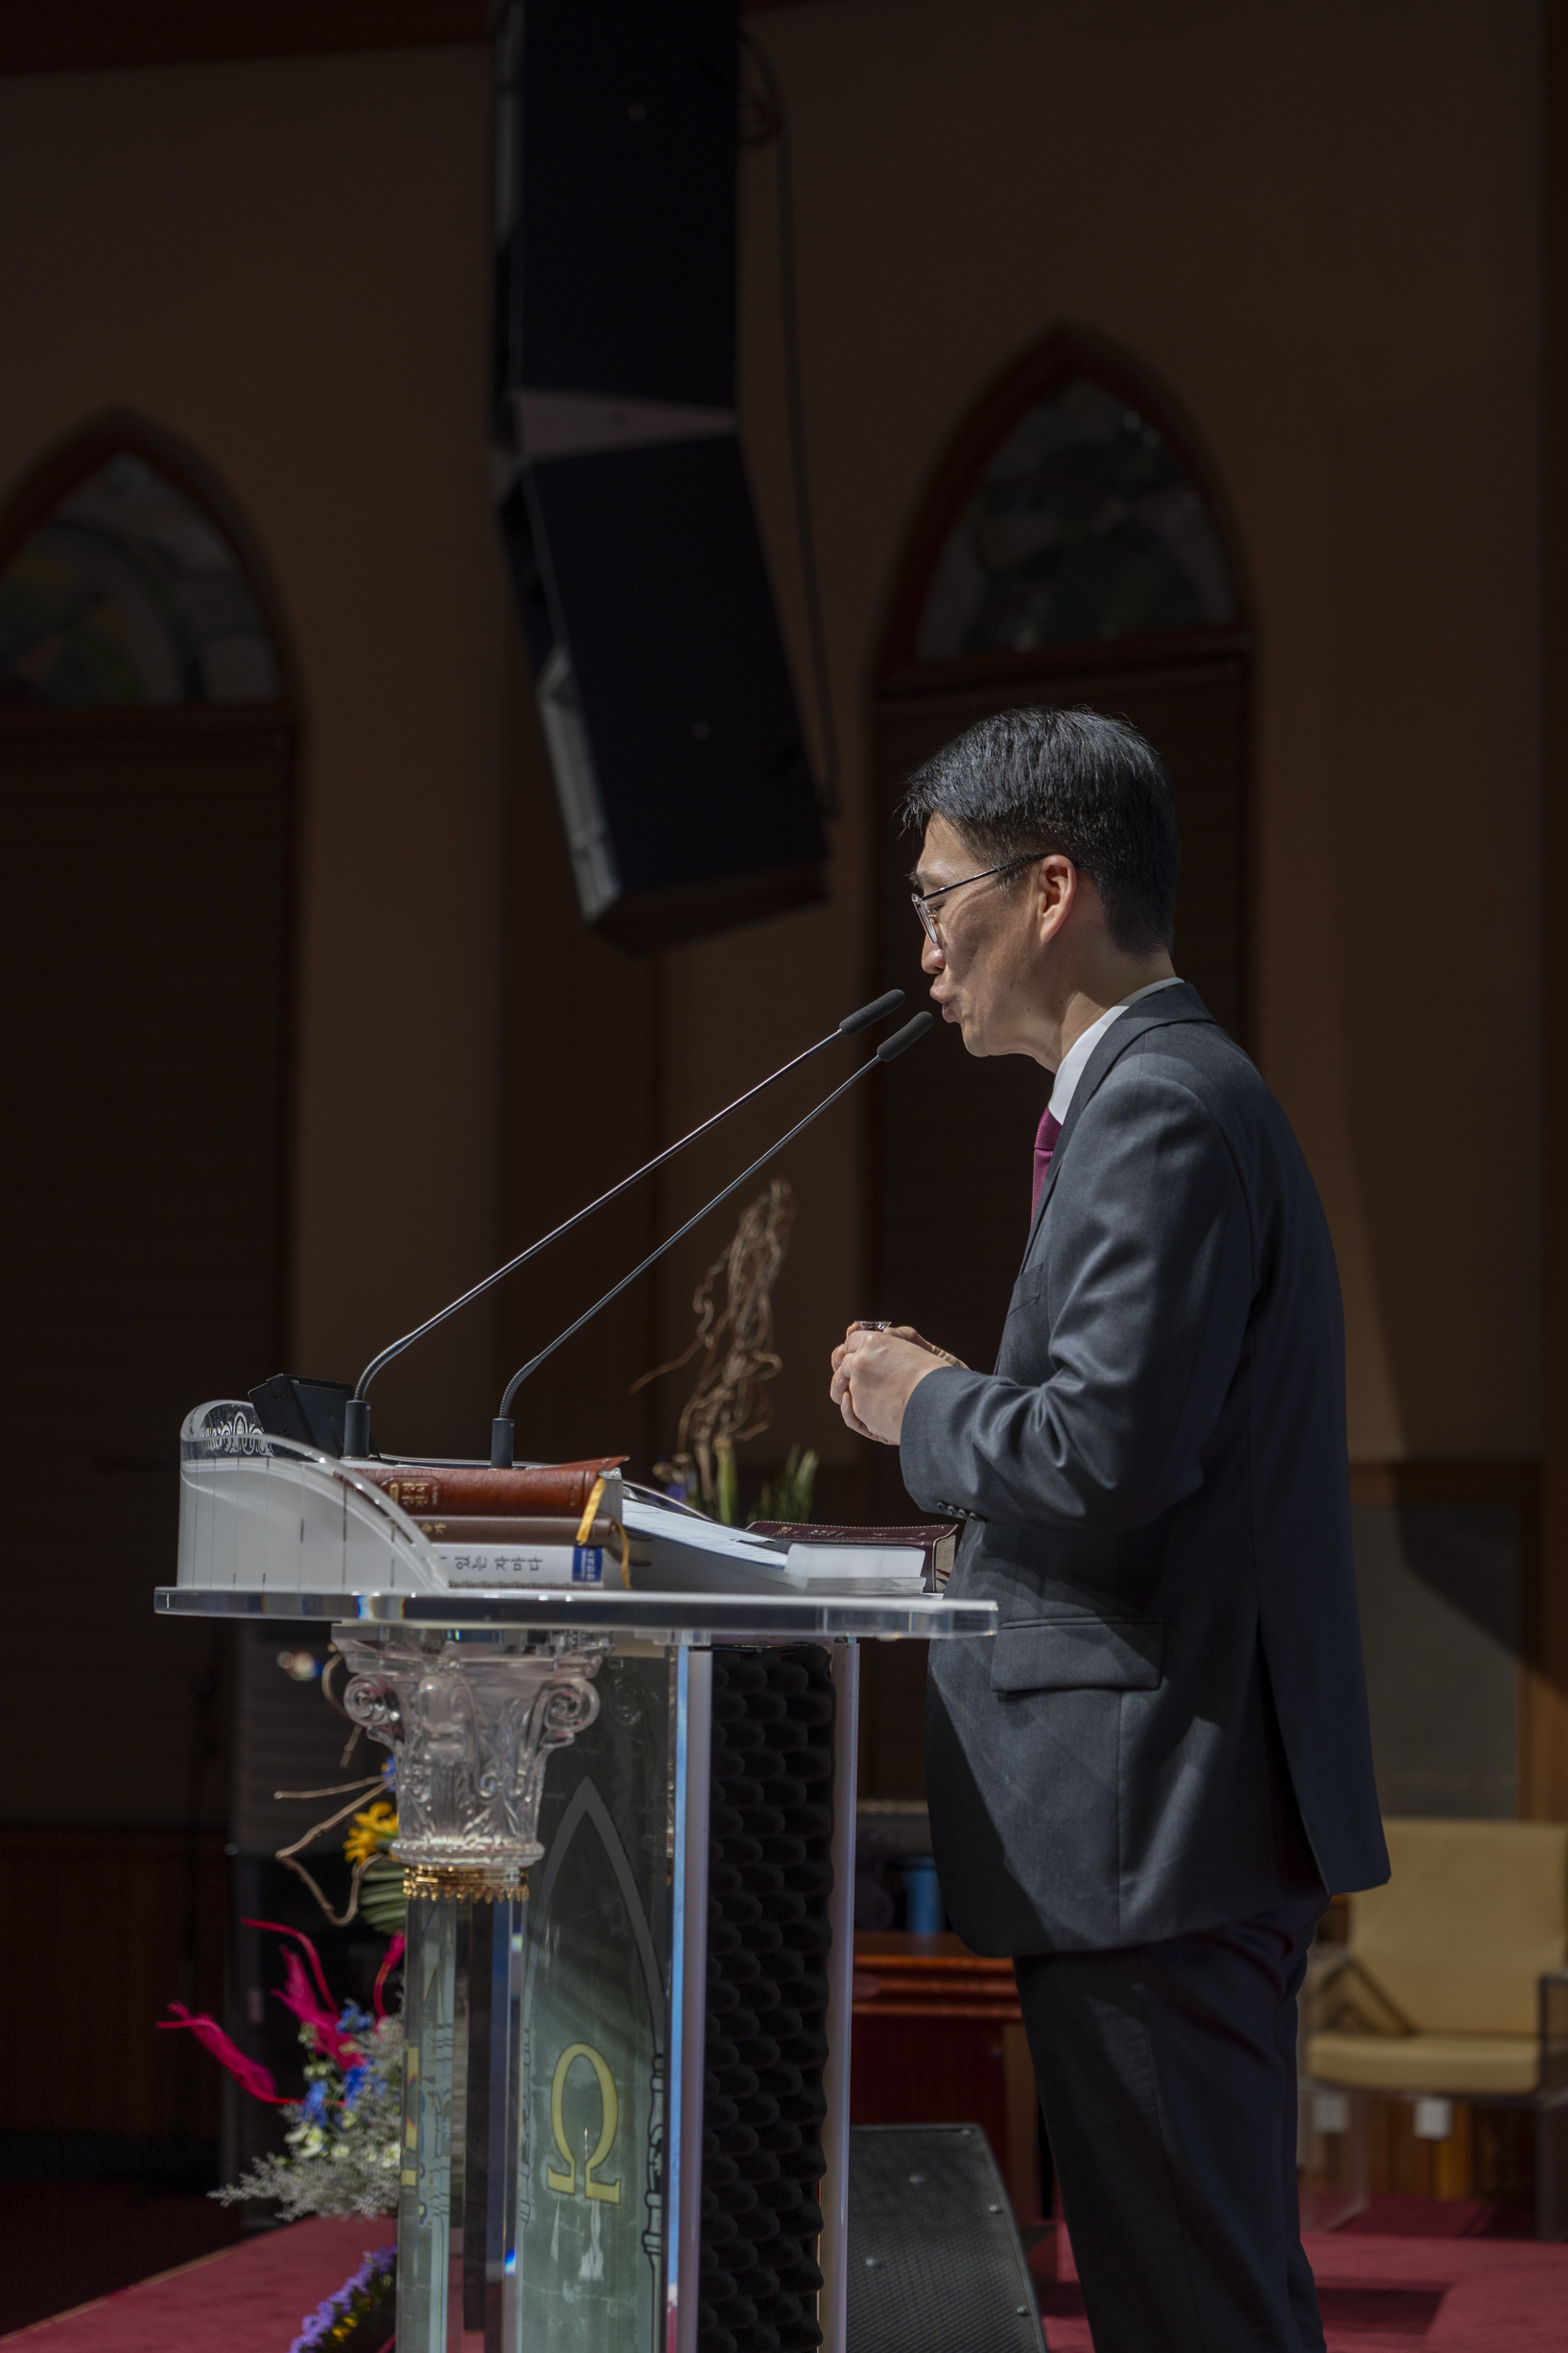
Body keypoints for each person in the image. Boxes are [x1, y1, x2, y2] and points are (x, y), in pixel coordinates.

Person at [830, 706, 1387, 2353]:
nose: (925, 947)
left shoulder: (1159, 1106)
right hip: (1157, 1822)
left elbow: (1103, 1452)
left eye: (939, 898)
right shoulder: (1153, 1096)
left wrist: (922, 1400)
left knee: (1196, 2309)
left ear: (1051, 888)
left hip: (1157, 1827)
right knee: (1189, 2298)